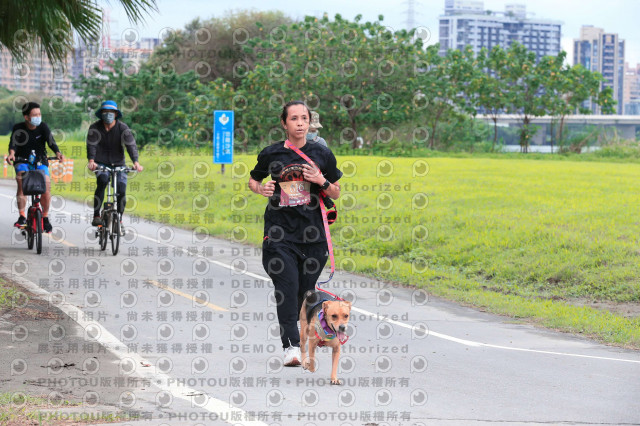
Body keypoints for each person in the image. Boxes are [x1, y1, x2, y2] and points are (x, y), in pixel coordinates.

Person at [249, 101, 342, 366]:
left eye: (304, 118)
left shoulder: (321, 153)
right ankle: (290, 346)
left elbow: (335, 190)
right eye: (294, 118)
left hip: (314, 236)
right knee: (287, 288)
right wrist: (260, 189)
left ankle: (307, 336)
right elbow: (253, 179)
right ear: (284, 123)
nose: (300, 123)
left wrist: (320, 180)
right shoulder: (272, 153)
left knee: (305, 292)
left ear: (309, 122)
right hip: (280, 234)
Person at [7, 102, 64, 233]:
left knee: (46, 186)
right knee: (22, 181)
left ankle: (45, 217)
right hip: (22, 161)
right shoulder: (18, 128)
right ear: (26, 117)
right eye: (35, 115)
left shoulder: (43, 127)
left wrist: (58, 153)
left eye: (39, 114)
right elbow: (13, 144)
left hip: (40, 161)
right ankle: (22, 216)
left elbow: (51, 142)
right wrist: (11, 154)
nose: (38, 117)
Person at [86, 100, 143, 233]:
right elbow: (91, 145)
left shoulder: (123, 128)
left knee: (122, 189)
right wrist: (91, 160)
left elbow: (131, 145)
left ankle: (120, 219)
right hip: (100, 163)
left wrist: (136, 162)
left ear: (116, 114)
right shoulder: (94, 127)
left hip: (118, 164)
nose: (108, 115)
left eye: (111, 113)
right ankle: (96, 215)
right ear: (101, 114)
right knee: (102, 181)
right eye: (105, 112)